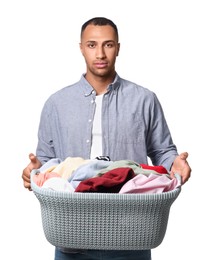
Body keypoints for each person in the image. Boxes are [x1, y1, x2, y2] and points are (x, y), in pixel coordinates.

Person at [22, 17, 191, 260]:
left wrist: (174, 161)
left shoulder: (144, 100)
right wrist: (35, 170)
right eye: (92, 45)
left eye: (108, 45)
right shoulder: (56, 104)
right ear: (81, 48)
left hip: (132, 231)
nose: (100, 53)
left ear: (118, 48)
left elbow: (163, 151)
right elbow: (47, 161)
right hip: (71, 233)